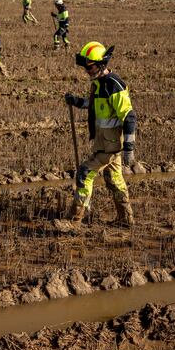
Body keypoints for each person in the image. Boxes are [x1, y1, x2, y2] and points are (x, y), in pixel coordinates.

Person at [59, 41, 137, 229]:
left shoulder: (114, 85)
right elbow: (95, 104)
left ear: (101, 64)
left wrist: (129, 148)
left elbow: (129, 116)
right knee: (114, 179)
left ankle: (74, 220)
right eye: (86, 67)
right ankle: (126, 219)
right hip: (104, 142)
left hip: (111, 146)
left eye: (90, 66)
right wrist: (77, 102)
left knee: (85, 173)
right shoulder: (99, 84)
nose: (87, 70)